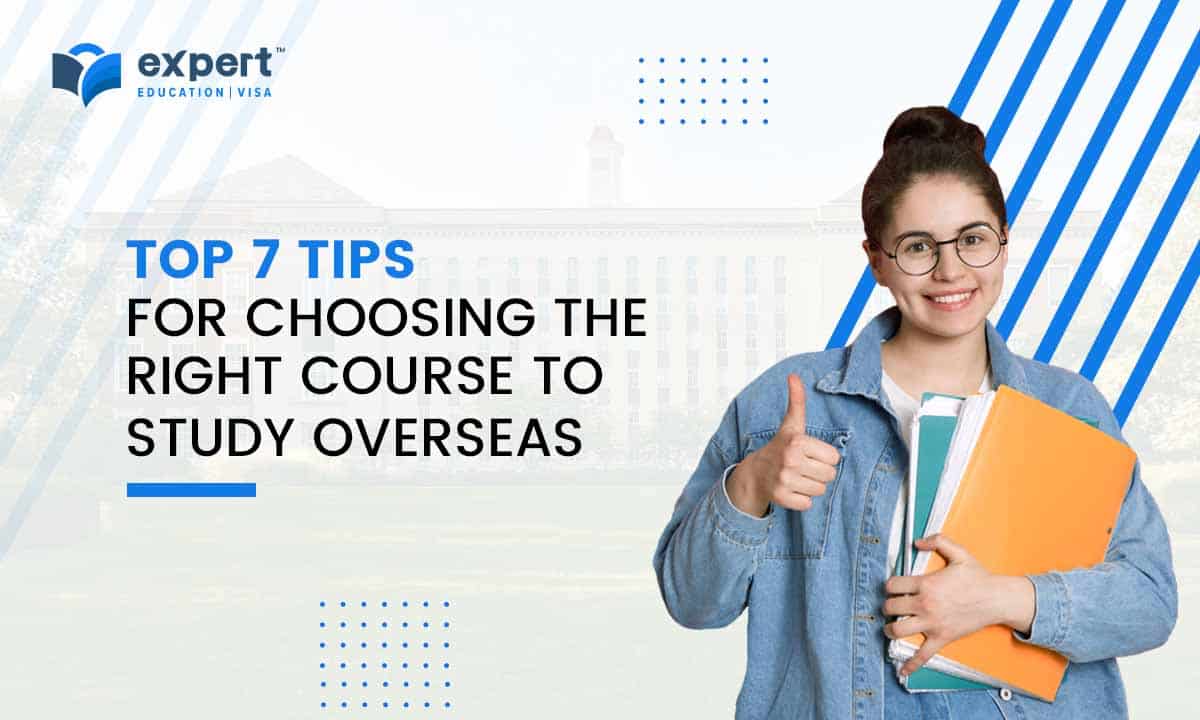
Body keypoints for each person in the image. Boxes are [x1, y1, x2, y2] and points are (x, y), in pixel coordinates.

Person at [651, 105, 1177, 719]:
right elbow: (692, 603)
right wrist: (750, 484)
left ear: (1004, 245)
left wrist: (1001, 600)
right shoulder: (784, 401)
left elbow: (1149, 600)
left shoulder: (1069, 408)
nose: (951, 270)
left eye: (974, 240)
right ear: (877, 259)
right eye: (918, 246)